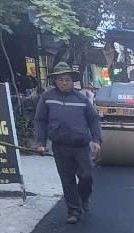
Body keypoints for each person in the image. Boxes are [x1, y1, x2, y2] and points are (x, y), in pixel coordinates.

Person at [34, 63, 102, 224]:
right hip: (60, 146)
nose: (64, 82)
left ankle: (83, 198)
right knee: (67, 179)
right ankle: (73, 211)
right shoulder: (48, 98)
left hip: (81, 146)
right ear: (55, 81)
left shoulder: (82, 99)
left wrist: (96, 140)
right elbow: (40, 121)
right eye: (60, 79)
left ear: (72, 81)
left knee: (87, 177)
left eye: (67, 79)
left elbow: (93, 120)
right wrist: (40, 143)